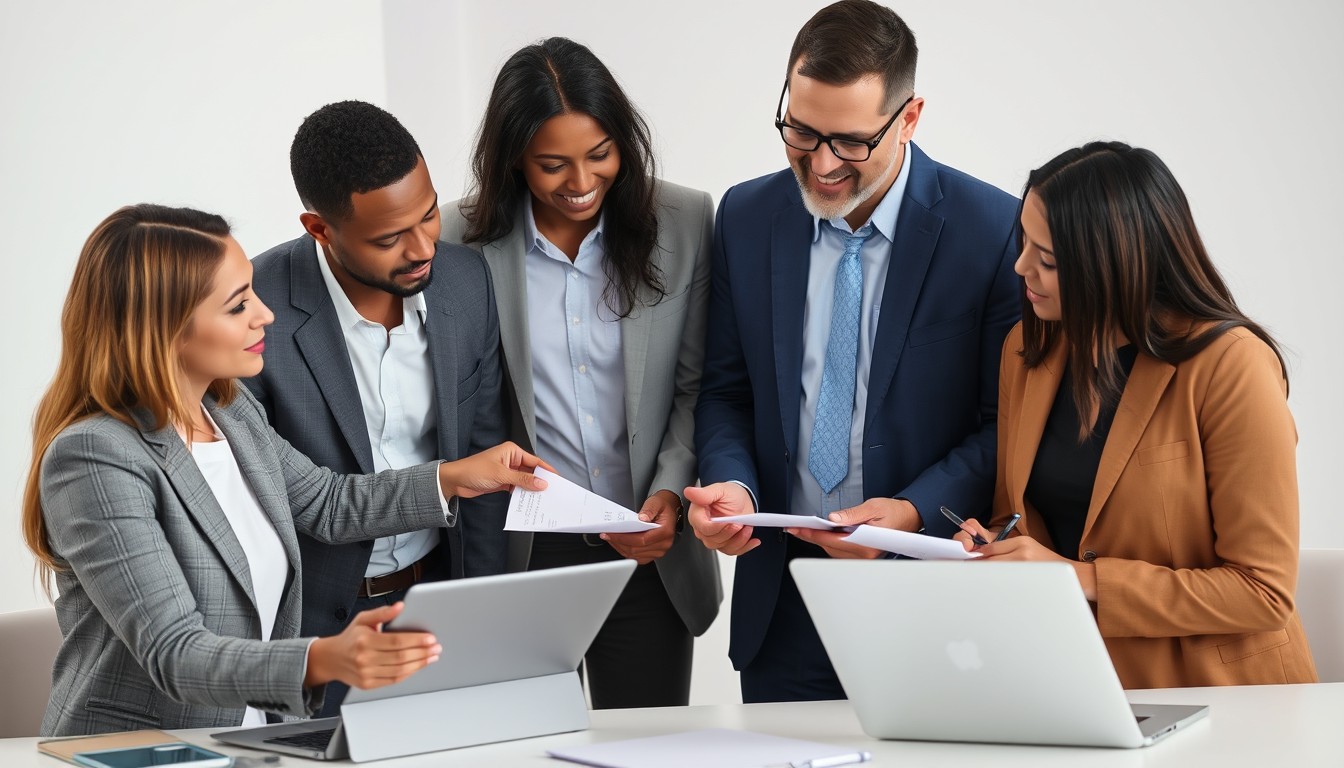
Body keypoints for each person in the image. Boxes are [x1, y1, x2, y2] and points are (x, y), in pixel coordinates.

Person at [23, 204, 549, 736]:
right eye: (237, 306)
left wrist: (452, 478)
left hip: (248, 740)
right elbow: (176, 653)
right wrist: (325, 658)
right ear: (163, 329)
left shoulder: (229, 413)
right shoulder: (95, 457)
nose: (265, 315)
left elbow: (327, 503)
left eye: (252, 293)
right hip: (140, 750)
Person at [688, 0, 1021, 703]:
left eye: (849, 142)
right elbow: (727, 392)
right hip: (783, 600)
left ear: (909, 117)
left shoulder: (992, 231)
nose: (821, 164)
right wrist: (734, 486)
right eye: (801, 131)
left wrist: (911, 512)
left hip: (932, 602)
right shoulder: (746, 217)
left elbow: (1010, 426)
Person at [944, 141, 1317, 688]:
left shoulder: (1232, 366)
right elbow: (1021, 517)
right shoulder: (1026, 350)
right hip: (1075, 681)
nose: (1021, 267)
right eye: (1023, 242)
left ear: (1113, 265)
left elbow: (1262, 591)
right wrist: (994, 545)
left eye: (1048, 260)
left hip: (1223, 698)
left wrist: (1081, 578)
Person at [440, 37, 721, 709]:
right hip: (525, 556)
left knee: (648, 748)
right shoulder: (457, 239)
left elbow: (698, 386)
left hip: (649, 550)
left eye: (600, 154)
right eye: (552, 164)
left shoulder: (684, 221)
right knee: (531, 745)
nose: (581, 181)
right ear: (513, 158)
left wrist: (670, 494)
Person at [242, 101, 512, 716]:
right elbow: (281, 501)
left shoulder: (467, 282)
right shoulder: (255, 311)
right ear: (320, 229)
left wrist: (485, 610)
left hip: (441, 605)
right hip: (316, 631)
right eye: (389, 239)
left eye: (429, 214)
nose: (423, 248)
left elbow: (486, 466)